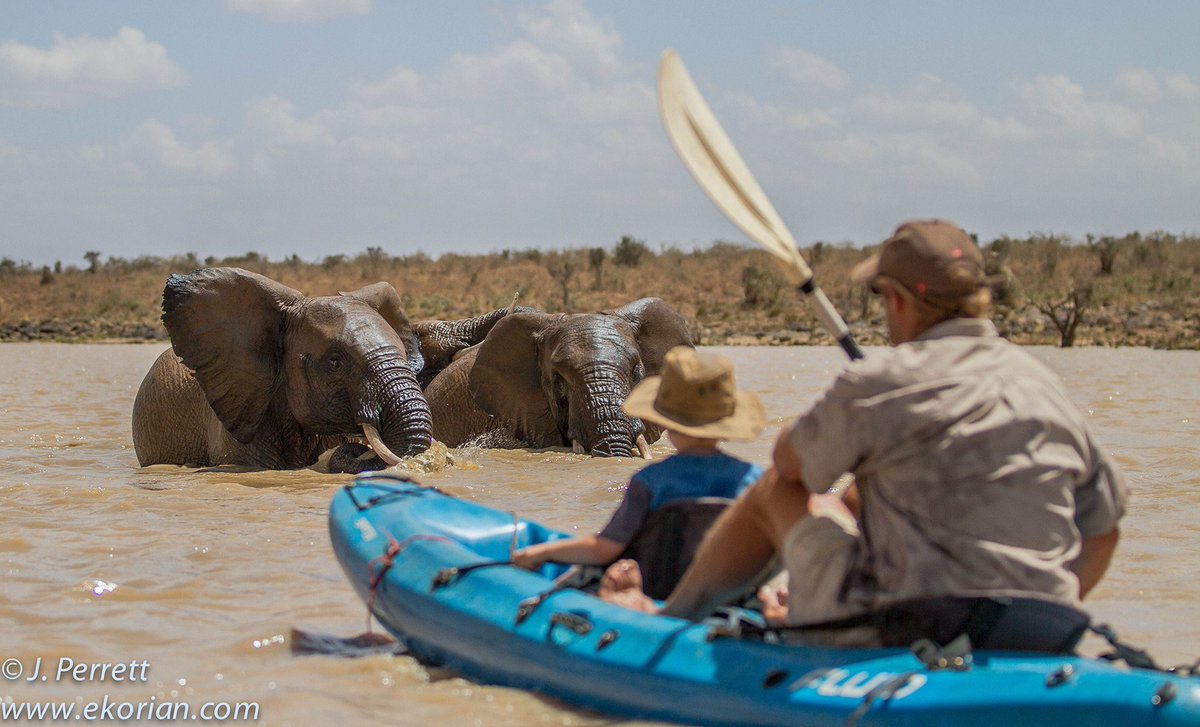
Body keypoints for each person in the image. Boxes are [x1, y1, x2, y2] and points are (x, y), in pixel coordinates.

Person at [606, 220, 1127, 651]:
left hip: (914, 622)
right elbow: (1103, 530)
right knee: (848, 501)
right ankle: (798, 598)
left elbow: (790, 466)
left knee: (774, 490)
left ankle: (669, 619)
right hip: (1043, 626)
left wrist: (861, 410)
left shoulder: (880, 381)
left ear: (896, 300)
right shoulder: (1041, 382)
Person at [512, 346, 766, 598]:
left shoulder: (650, 481)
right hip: (731, 598)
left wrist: (540, 552)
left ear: (666, 422)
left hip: (655, 597)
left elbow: (605, 549)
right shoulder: (756, 479)